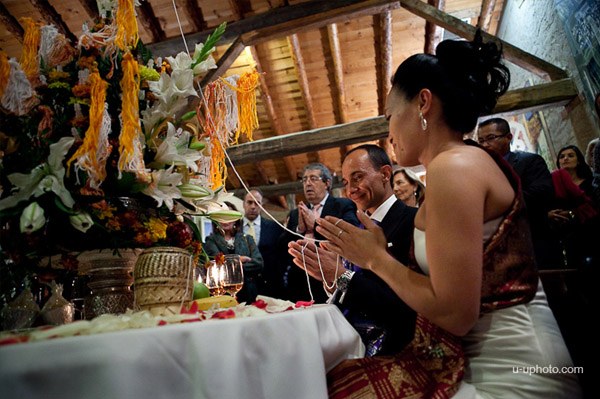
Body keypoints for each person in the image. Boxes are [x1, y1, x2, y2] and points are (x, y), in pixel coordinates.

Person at [319, 32, 581, 398]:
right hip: (484, 357)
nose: (389, 131)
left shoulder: (453, 167)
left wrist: (375, 259)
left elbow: (456, 313)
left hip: (510, 367)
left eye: (391, 115)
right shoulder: (460, 161)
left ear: (423, 103)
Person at [288, 144, 417, 356]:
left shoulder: (413, 220)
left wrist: (341, 276)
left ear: (385, 173)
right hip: (351, 339)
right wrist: (330, 278)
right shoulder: (356, 229)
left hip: (394, 347)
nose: (350, 190)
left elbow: (403, 307)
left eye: (357, 178)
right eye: (347, 183)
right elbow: (347, 286)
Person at [477, 117, 561, 269]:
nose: (485, 145)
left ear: (508, 137)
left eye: (491, 138)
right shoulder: (478, 171)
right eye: (481, 141)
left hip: (533, 240)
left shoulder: (529, 161)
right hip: (499, 250)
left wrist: (496, 201)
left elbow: (542, 193)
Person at [279, 163, 359, 303]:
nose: (308, 184)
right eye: (304, 180)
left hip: (330, 279)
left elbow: (350, 233)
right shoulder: (295, 213)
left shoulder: (343, 205)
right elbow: (281, 246)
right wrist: (299, 230)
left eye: (313, 179)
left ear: (327, 183)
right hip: (299, 282)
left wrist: (316, 224)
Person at [548, 145, 598, 269]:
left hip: (591, 232)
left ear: (579, 160)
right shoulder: (551, 185)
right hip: (568, 236)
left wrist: (572, 213)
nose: (565, 159)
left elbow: (595, 206)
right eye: (562, 157)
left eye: (570, 156)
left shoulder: (590, 183)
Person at [203, 201, 263, 303]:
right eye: (222, 216)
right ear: (216, 219)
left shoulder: (247, 239)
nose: (226, 220)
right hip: (223, 294)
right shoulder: (210, 240)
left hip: (249, 293)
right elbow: (216, 264)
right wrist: (239, 260)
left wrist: (230, 264)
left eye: (229, 215)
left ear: (235, 219)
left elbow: (258, 263)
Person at [241, 189, 284, 298]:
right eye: (249, 202)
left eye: (257, 203)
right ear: (243, 204)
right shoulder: (235, 228)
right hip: (242, 288)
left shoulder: (275, 228)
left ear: (261, 205)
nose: (253, 206)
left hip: (269, 288)